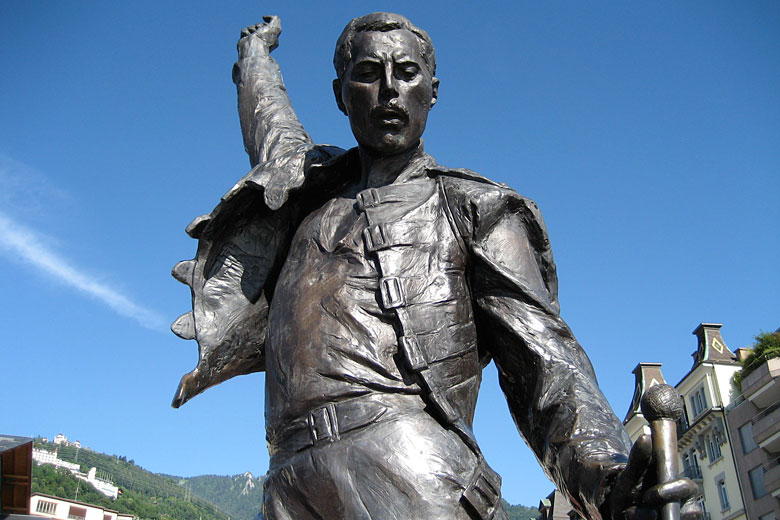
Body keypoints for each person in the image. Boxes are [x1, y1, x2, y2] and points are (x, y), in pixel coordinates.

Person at [170, 13, 698, 520]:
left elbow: (545, 362)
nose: (389, 90)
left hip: (410, 473)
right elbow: (270, 124)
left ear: (433, 90)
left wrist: (609, 481)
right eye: (368, 75)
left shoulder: (473, 207)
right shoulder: (308, 193)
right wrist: (254, 56)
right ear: (340, 94)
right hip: (288, 479)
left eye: (406, 73)